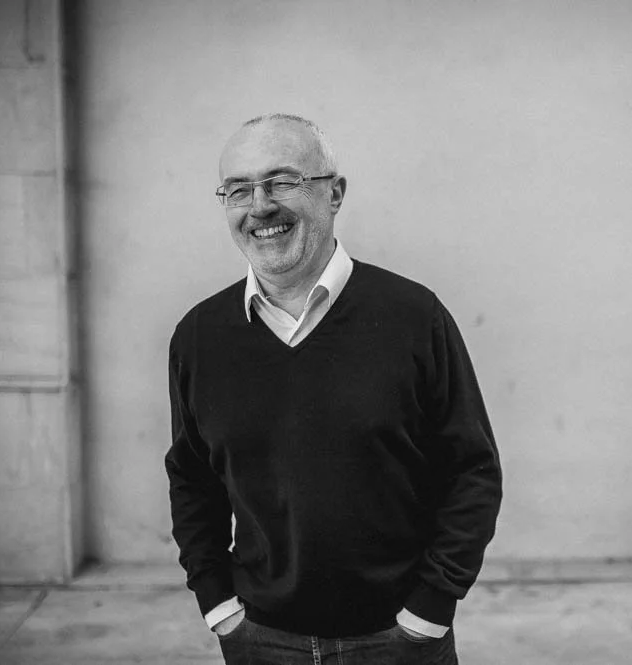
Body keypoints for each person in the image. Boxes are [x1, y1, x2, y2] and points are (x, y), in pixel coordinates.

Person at [165, 113, 502, 665]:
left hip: (399, 640)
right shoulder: (199, 337)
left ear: (334, 193)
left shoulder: (415, 318)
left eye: (282, 181)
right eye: (239, 189)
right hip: (259, 639)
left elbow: (473, 470)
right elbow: (191, 478)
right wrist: (217, 602)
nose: (260, 206)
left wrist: (431, 606)